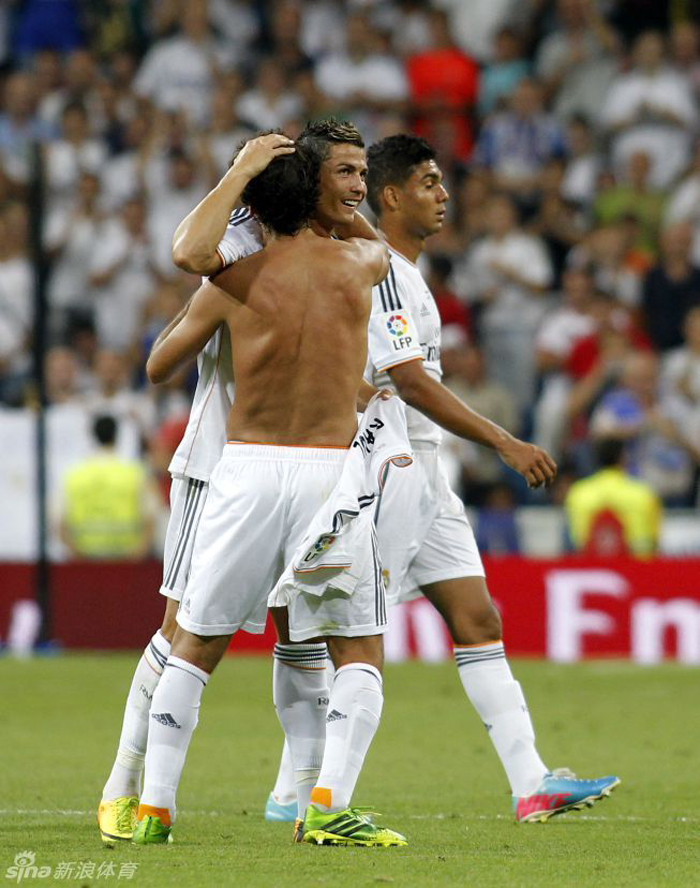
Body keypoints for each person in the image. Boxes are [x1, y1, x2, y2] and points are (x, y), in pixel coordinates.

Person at [132, 135, 408, 847]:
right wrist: (341, 207)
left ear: (255, 205)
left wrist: (245, 173)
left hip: (245, 470)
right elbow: (380, 246)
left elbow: (167, 334)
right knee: (357, 653)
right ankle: (326, 804)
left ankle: (155, 807)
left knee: (194, 645)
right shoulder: (360, 265)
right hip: (327, 475)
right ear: (317, 196)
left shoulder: (233, 279)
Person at [359, 133, 619, 822]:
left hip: (427, 475)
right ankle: (308, 795)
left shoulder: (413, 276)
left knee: (478, 618)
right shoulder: (380, 269)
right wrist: (504, 441)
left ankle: (531, 783)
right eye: (429, 183)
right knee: (349, 638)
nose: (445, 196)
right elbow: (408, 382)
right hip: (383, 472)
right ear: (390, 196)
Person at [97, 132, 295, 847]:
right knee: (186, 635)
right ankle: (126, 783)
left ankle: (306, 794)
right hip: (219, 466)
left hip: (305, 470)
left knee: (315, 633)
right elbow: (186, 254)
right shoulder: (236, 248)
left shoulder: (327, 245)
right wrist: (241, 169)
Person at [59, 415, 157, 560]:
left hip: (85, 559)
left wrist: (77, 556)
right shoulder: (135, 472)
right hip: (126, 560)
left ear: (92, 436)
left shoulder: (74, 474)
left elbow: (60, 524)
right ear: (116, 436)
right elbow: (151, 518)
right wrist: (136, 556)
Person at [565, 438, 661, 556]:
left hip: (590, 570)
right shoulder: (643, 493)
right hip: (637, 569)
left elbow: (573, 543)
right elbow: (654, 542)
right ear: (622, 458)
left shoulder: (578, 493)